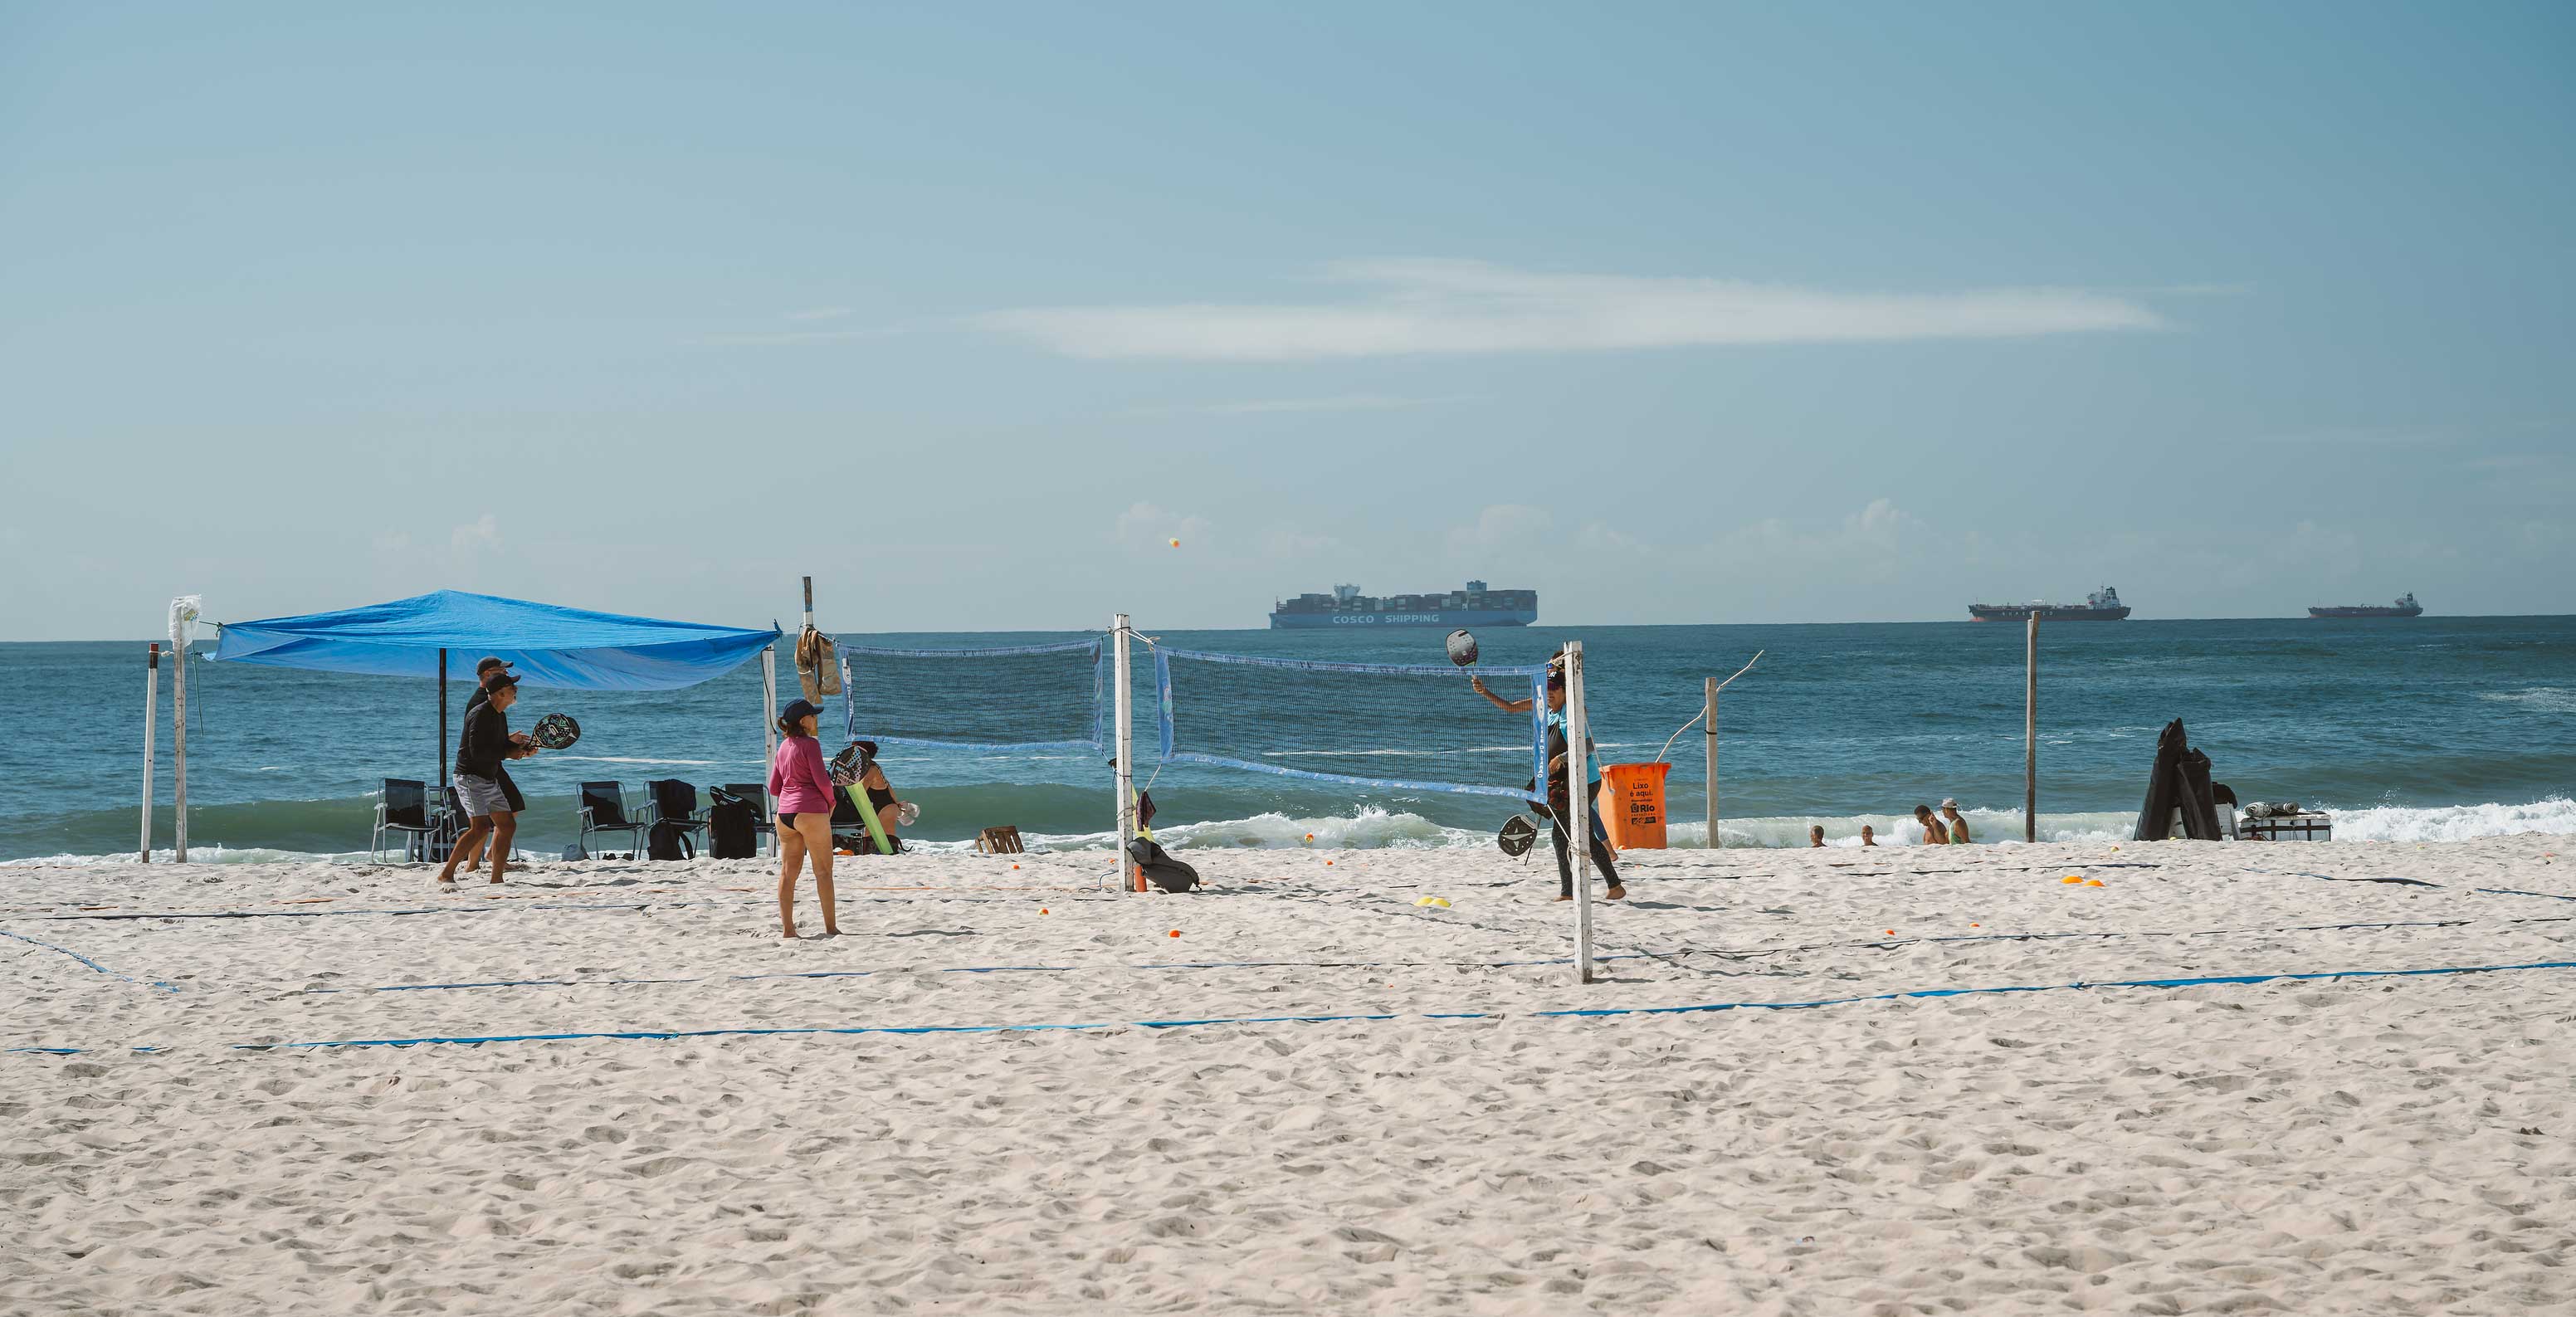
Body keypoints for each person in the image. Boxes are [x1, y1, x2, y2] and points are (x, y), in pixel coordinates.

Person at [1471, 666, 1626, 902]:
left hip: (1584, 781)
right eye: (1546, 689)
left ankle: (1591, 888)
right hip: (1563, 782)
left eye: (1554, 688)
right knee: (1567, 835)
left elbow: (1589, 746)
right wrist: (1485, 693)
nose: (1549, 693)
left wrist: (1562, 758)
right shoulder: (1547, 709)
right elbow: (1511, 707)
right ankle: (1593, 888)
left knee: (1571, 836)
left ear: (1565, 691)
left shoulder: (1570, 713)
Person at [437, 671, 529, 887]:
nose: (515, 690)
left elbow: (502, 746)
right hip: (469, 777)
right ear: (500, 693)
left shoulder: (500, 715)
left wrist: (523, 750)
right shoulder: (480, 714)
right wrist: (508, 753)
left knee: (507, 825)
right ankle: (446, 874)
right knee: (479, 828)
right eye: (511, 687)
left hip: (488, 777)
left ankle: (497, 879)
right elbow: (477, 752)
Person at [768, 699, 841, 939]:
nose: (815, 719)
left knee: (788, 874)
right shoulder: (811, 745)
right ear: (802, 721)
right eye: (812, 715)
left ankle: (788, 930)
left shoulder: (783, 747)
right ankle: (831, 928)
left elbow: (774, 787)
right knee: (823, 872)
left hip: (785, 815)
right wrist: (832, 801)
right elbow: (822, 781)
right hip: (810, 811)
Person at [455, 656, 531, 870]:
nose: (506, 675)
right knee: (485, 821)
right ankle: (480, 861)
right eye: (502, 671)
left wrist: (512, 745)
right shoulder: (480, 703)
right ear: (488, 675)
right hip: (479, 768)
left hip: (488, 763)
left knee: (488, 820)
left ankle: (478, 862)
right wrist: (508, 750)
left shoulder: (492, 705)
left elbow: (489, 737)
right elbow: (477, 744)